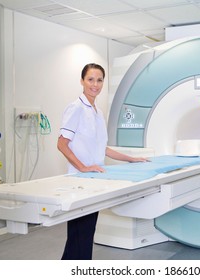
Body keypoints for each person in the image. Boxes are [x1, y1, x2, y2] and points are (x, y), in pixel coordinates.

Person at [57, 63, 148, 260]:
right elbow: (62, 144)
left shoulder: (97, 112)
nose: (95, 84)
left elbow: (102, 149)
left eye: (99, 80)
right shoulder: (76, 108)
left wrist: (132, 159)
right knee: (79, 234)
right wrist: (83, 167)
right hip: (80, 181)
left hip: (94, 180)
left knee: (86, 233)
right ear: (82, 81)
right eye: (90, 79)